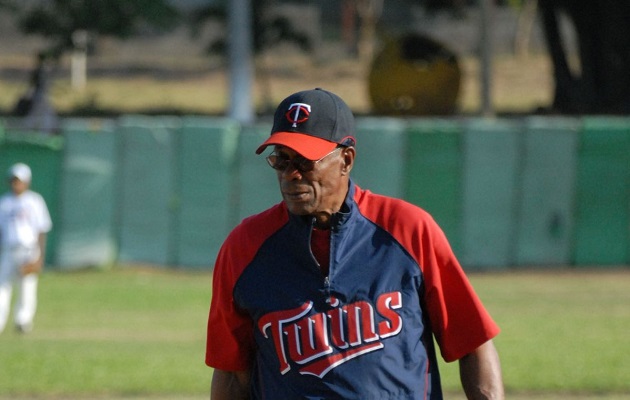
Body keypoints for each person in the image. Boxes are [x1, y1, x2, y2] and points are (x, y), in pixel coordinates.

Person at [205, 88, 504, 399]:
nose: (291, 175)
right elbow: (231, 372)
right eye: (282, 160)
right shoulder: (245, 247)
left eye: (305, 162)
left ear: (346, 159)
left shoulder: (408, 230)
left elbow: (473, 343)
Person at [0, 163, 52, 334]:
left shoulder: (34, 201)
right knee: (2, 287)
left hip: (28, 249)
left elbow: (42, 229)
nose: (16, 184)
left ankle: (23, 321)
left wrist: (39, 257)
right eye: (14, 180)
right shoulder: (4, 202)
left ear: (27, 182)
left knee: (26, 287)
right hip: (9, 250)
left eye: (19, 181)